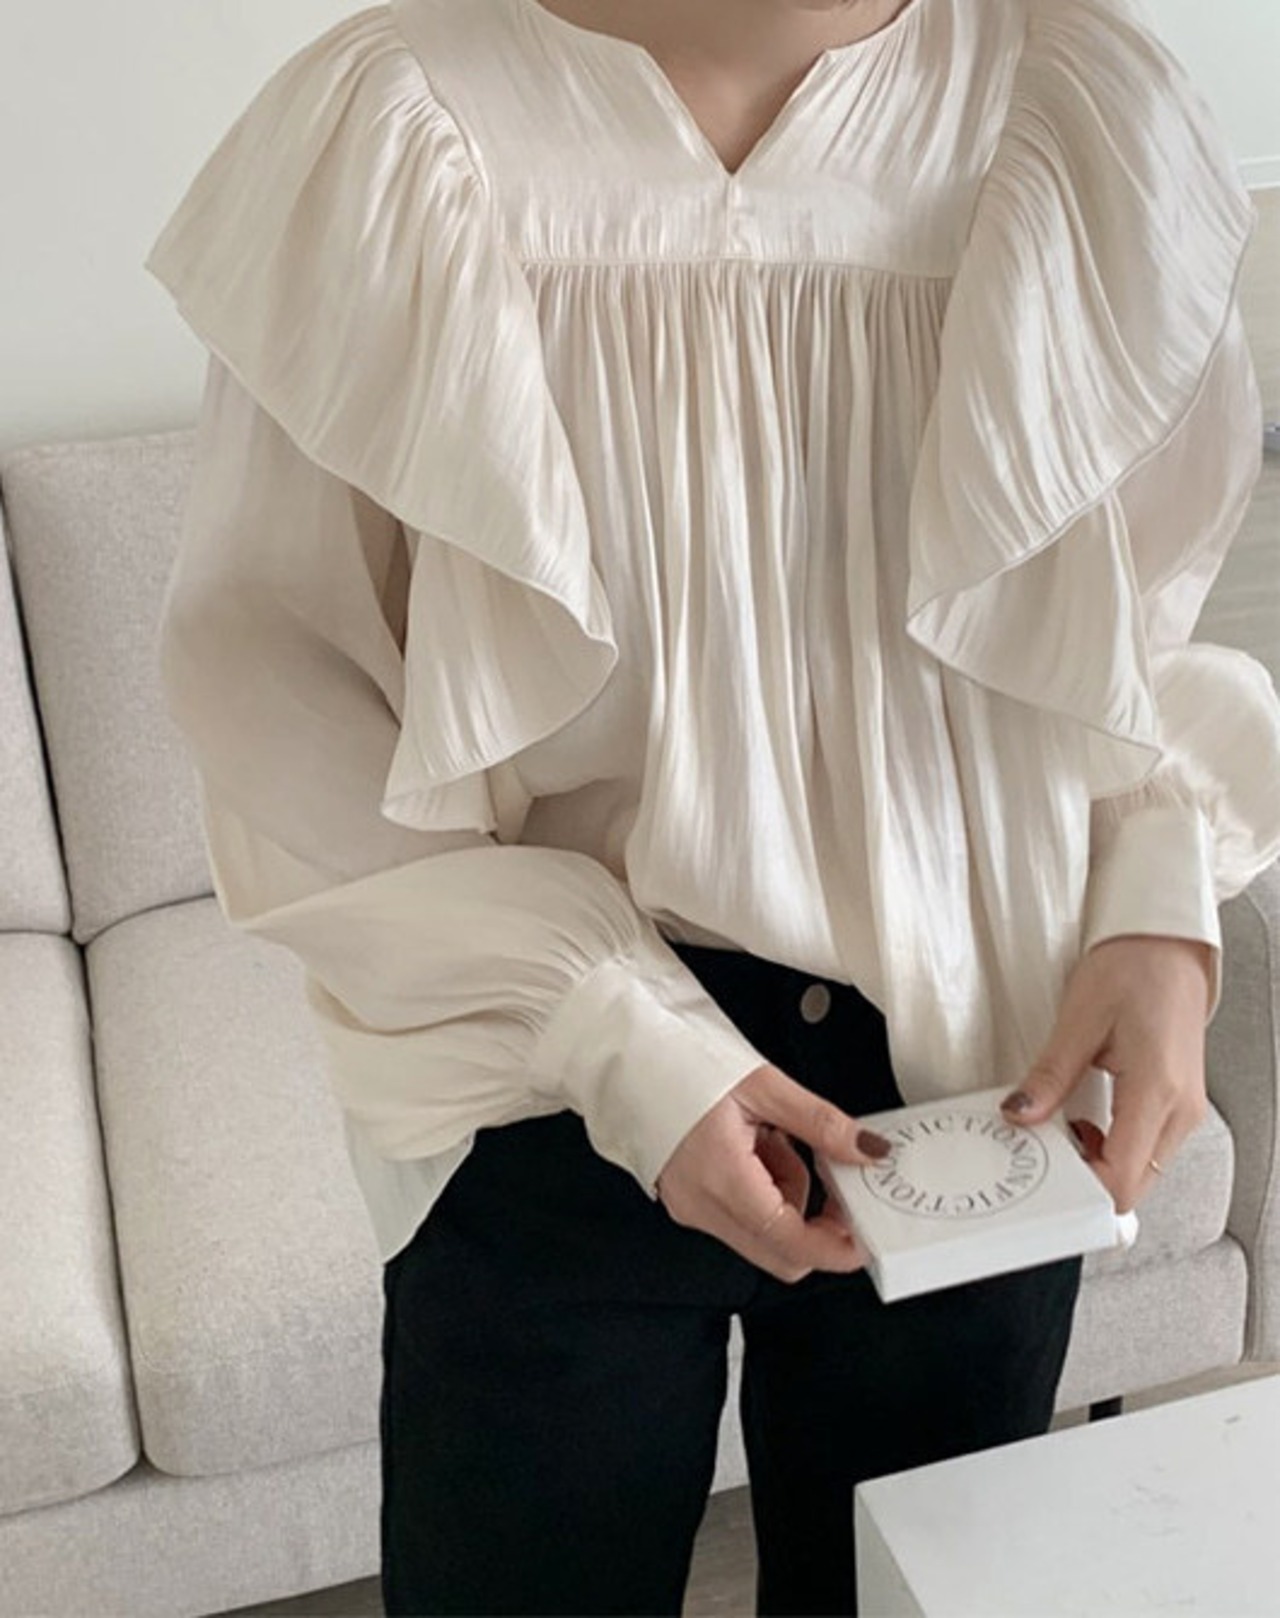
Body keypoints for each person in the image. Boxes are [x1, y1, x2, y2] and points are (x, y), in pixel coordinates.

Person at [145, 0, 1280, 1612]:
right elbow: (284, 709)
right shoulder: (394, 136)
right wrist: (622, 1040)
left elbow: (1135, 632)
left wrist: (1155, 901)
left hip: (982, 1090)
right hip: (541, 1095)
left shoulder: (1080, 115)